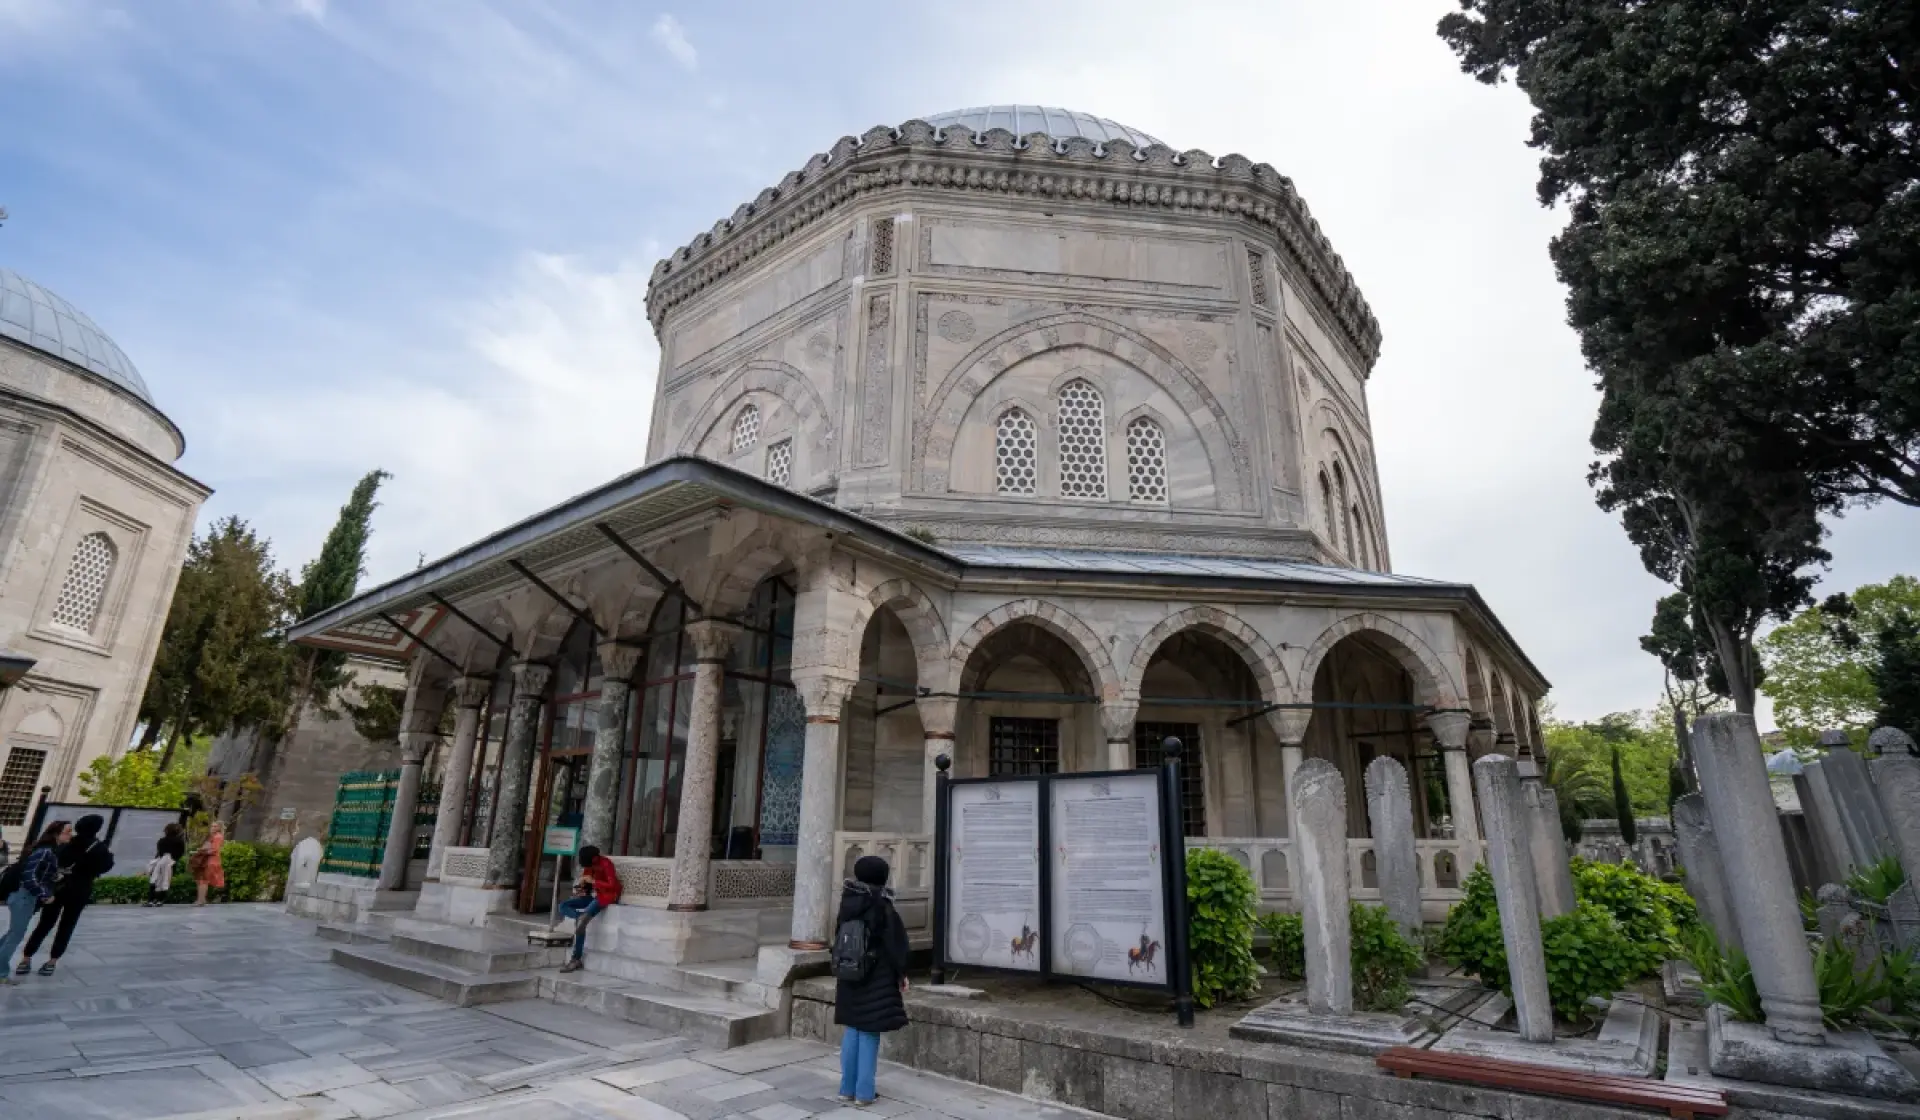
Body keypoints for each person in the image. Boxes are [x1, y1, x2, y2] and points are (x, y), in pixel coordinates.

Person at [833, 855, 911, 1107]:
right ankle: (864, 1093)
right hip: (876, 976)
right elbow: (896, 944)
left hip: (849, 973)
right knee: (868, 1032)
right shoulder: (882, 905)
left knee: (852, 1029)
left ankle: (846, 1088)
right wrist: (901, 973)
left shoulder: (847, 902)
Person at [16, 813, 114, 977]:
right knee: (67, 925)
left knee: (45, 923)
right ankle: (52, 962)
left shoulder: (68, 842)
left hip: (59, 888)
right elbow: (106, 867)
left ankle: (26, 959)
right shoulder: (99, 848)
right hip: (80, 890)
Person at [0, 821, 68, 982]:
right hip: (24, 896)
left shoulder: (48, 851)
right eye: (67, 831)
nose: (70, 835)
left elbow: (37, 873)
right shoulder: (45, 851)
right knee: (16, 935)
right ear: (56, 833)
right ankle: (1, 973)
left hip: (25, 896)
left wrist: (54, 876)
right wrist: (45, 894)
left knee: (13, 933)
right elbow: (29, 877)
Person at [555, 845, 621, 973]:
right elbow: (587, 887)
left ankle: (576, 959)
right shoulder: (588, 865)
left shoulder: (606, 864)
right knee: (563, 906)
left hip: (605, 896)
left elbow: (612, 885)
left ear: (594, 858)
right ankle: (579, 917)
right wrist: (581, 889)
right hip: (591, 896)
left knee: (581, 924)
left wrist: (594, 881)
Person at [147, 822, 186, 906]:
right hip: (171, 863)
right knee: (165, 881)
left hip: (159, 862)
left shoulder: (161, 841)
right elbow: (180, 853)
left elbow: (159, 852)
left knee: (154, 880)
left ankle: (151, 899)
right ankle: (160, 900)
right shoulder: (179, 841)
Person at [192, 821, 225, 905]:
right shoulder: (213, 836)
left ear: (219, 828)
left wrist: (201, 851)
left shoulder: (217, 837)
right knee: (201, 880)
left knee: (203, 880)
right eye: (212, 826)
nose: (212, 828)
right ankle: (201, 899)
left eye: (215, 826)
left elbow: (214, 850)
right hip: (208, 860)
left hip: (211, 861)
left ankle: (201, 900)